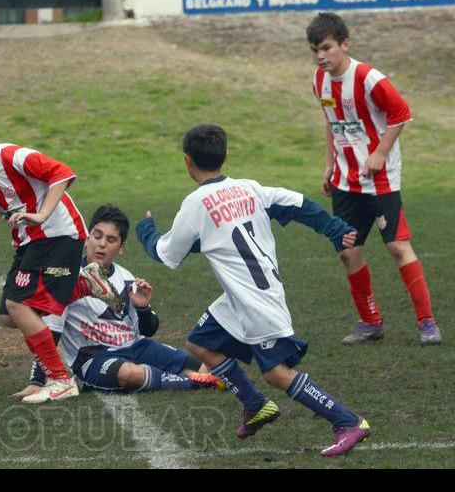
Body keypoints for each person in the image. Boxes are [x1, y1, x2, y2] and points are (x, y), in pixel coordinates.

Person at [136, 123, 370, 457]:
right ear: (226, 155)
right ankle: (255, 404)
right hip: (239, 297)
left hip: (257, 300)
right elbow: (300, 204)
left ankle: (347, 421)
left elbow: (165, 254)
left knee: (277, 373)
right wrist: (335, 229)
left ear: (187, 161)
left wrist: (146, 229)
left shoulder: (195, 203)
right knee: (201, 342)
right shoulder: (249, 188)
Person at [0, 102, 123, 404]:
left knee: (18, 304)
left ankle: (61, 379)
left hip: (60, 234)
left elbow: (62, 173)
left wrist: (41, 214)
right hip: (29, 244)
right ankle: (84, 285)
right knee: (9, 316)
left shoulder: (14, 157)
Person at [307, 12, 441, 346]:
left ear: (344, 44)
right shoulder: (318, 81)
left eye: (326, 48)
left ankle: (427, 323)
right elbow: (330, 122)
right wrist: (328, 165)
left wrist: (380, 152)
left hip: (380, 181)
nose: (321, 56)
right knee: (348, 252)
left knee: (397, 246)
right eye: (315, 50)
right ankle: (370, 322)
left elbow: (401, 114)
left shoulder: (368, 78)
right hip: (345, 181)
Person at [11, 204, 221, 402]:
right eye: (97, 236)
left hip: (136, 346)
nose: (101, 244)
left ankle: (195, 377)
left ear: (121, 248)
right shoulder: (66, 278)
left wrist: (143, 307)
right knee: (130, 374)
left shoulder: (126, 278)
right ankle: (192, 382)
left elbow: (148, 330)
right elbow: (50, 333)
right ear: (86, 238)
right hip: (94, 358)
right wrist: (37, 381)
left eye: (111, 240)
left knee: (206, 366)